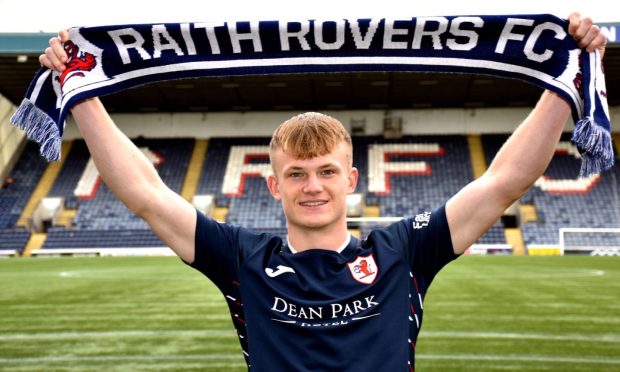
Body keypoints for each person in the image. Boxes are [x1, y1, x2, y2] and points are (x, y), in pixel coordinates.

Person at [39, 12, 606, 371]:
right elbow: (144, 193)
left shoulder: (402, 251)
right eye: (297, 173)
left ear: (351, 179)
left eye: (327, 171)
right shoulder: (241, 258)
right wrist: (80, 88)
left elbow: (504, 180)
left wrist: (564, 79)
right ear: (274, 184)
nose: (313, 186)